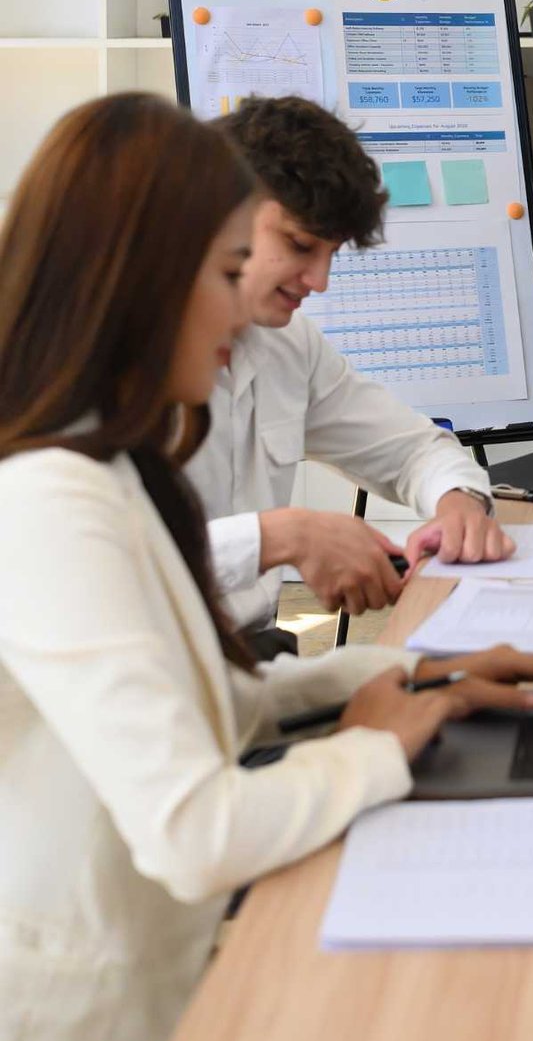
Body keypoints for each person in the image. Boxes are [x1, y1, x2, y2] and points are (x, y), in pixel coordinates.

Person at [0, 93, 533, 1041]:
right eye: (231, 272)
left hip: (160, 956)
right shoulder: (54, 495)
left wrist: (418, 676)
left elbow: (219, 697)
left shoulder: (117, 463)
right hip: (83, 1024)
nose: (252, 309)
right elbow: (195, 826)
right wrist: (374, 743)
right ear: (143, 278)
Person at [184, 96, 510, 652]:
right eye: (299, 245)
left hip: (253, 658)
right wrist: (283, 538)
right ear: (221, 213)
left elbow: (411, 449)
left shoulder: (287, 343)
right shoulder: (107, 351)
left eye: (331, 253)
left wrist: (458, 502)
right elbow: (94, 560)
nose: (320, 280)